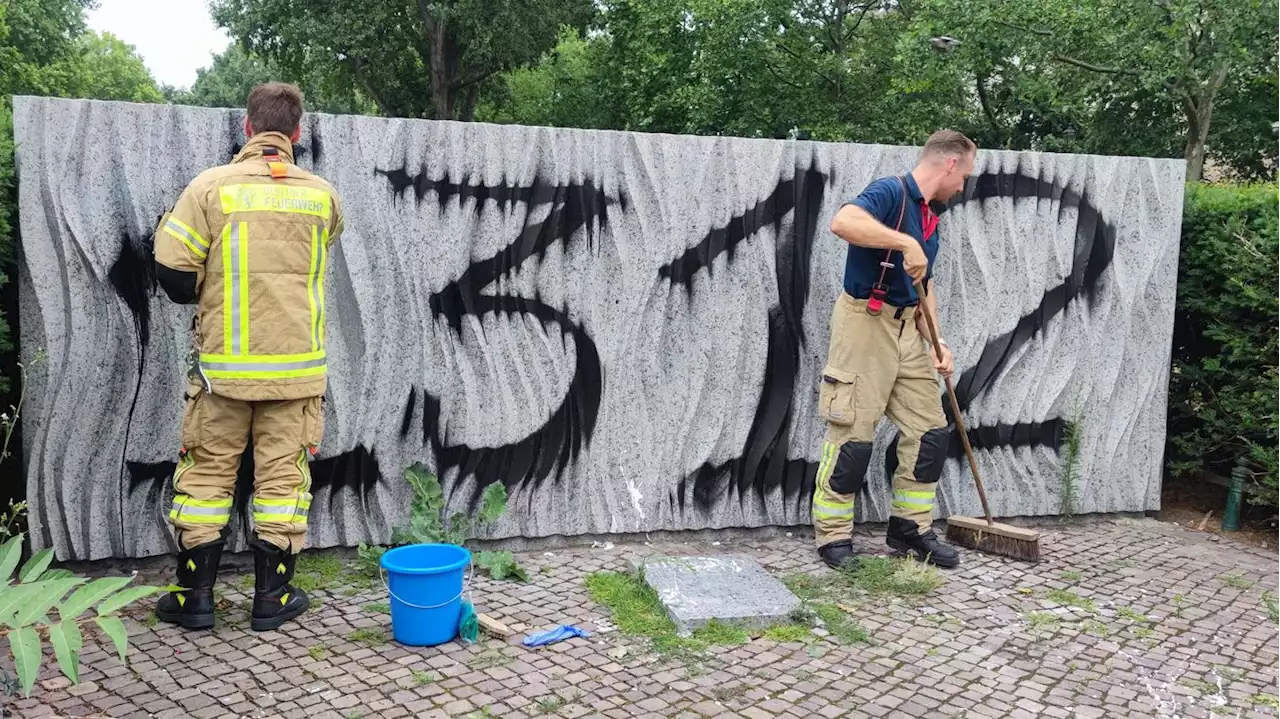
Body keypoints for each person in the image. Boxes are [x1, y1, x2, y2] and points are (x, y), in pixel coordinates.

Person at [152, 81, 345, 631]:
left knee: (208, 476)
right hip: (296, 374)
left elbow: (172, 275)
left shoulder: (210, 190)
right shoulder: (322, 196)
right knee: (283, 481)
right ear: (296, 133)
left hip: (223, 375)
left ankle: (195, 600)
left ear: (247, 127)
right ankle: (272, 600)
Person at [811, 130, 975, 570]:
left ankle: (910, 530)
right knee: (852, 437)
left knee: (929, 433)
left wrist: (937, 340)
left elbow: (925, 286)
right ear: (950, 165)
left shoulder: (930, 217)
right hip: (865, 322)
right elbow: (843, 222)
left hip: (907, 328)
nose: (963, 188)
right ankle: (833, 537)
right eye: (964, 177)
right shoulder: (891, 192)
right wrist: (903, 242)